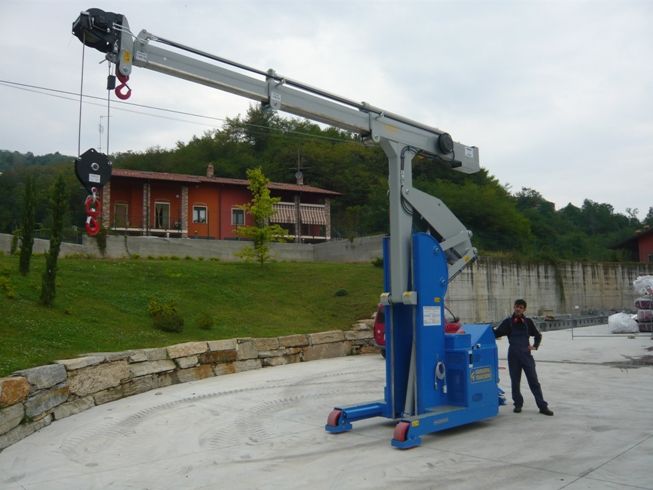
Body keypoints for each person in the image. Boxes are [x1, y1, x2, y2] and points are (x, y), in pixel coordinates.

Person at [493, 299, 554, 416]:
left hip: (526, 355)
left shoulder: (528, 322)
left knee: (534, 381)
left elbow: (538, 335)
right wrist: (486, 330)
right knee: (515, 381)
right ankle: (518, 404)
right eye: (516, 307)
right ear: (513, 307)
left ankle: (542, 406)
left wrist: (535, 346)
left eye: (520, 307)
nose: (518, 309)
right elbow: (497, 333)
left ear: (524, 309)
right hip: (513, 355)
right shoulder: (508, 322)